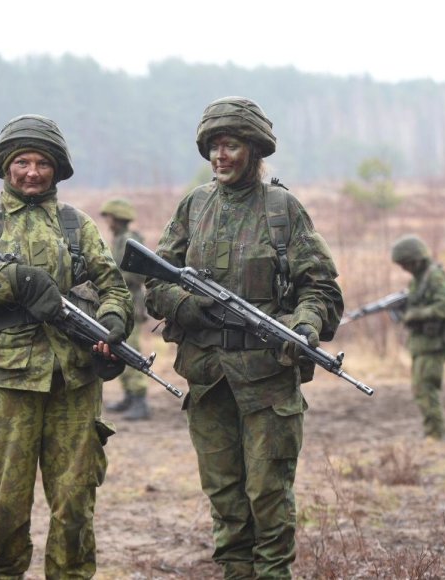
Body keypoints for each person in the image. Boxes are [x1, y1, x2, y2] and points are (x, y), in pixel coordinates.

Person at [144, 96, 343, 578]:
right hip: (209, 379)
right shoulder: (194, 205)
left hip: (268, 380)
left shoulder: (282, 211)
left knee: (268, 498)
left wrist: (305, 325)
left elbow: (321, 288)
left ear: (254, 150)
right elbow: (154, 280)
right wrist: (188, 305)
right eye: (214, 147)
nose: (220, 157)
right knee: (227, 500)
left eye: (231, 146)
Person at [0, 114, 133, 578]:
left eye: (42, 162)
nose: (31, 172)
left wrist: (111, 324)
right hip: (4, 382)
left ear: (57, 169)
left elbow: (115, 288)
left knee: (75, 510)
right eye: (21, 161)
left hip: (74, 381)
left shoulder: (75, 225)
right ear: (5, 165)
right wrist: (12, 280)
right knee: (4, 508)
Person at [390, 234, 445, 440]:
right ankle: (432, 433)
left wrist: (415, 314)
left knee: (426, 389)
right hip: (421, 343)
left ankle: (435, 435)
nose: (404, 268)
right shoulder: (418, 280)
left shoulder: (434, 276)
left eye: (406, 263)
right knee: (420, 389)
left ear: (416, 259)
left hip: (433, 344)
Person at [100, 198, 151, 420]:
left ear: (117, 218)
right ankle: (130, 396)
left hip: (130, 302)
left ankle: (140, 400)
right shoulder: (120, 239)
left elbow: (140, 274)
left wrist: (113, 277)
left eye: (109, 217)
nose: (107, 221)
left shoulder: (129, 240)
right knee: (118, 349)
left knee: (130, 351)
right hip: (121, 302)